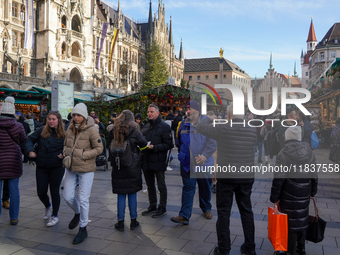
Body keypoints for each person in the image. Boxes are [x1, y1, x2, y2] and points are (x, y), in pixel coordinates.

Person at [195, 103, 257, 255]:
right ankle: (249, 247)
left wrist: (208, 118)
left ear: (228, 116)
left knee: (224, 213)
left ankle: (224, 249)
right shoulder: (252, 130)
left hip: (227, 177)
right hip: (246, 177)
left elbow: (199, 127)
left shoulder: (222, 128)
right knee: (247, 211)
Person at [270, 126, 318, 255]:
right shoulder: (309, 150)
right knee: (302, 219)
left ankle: (290, 251)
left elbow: (278, 179)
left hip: (288, 193)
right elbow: (314, 173)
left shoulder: (283, 153)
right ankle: (301, 249)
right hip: (305, 192)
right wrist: (313, 191)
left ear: (287, 137)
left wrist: (274, 197)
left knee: (290, 223)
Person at [63, 103, 103, 244]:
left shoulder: (92, 130)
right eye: (74, 115)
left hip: (86, 168)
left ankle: (83, 227)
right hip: (71, 167)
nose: (76, 117)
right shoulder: (70, 127)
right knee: (67, 196)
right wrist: (65, 153)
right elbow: (66, 144)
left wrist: (83, 155)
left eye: (78, 115)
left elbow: (99, 148)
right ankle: (77, 212)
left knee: (83, 198)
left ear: (84, 116)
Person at [171, 101, 216, 225]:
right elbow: (178, 142)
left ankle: (206, 208)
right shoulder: (183, 124)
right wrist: (182, 155)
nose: (188, 111)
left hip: (203, 163)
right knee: (188, 188)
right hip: (187, 163)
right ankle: (184, 215)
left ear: (198, 111)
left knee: (205, 187)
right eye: (187, 109)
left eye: (191, 109)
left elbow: (212, 144)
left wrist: (205, 155)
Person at [25, 111, 65, 227]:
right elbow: (29, 139)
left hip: (57, 166)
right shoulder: (42, 130)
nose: (51, 121)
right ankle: (48, 206)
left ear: (58, 120)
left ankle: (55, 215)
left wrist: (64, 153)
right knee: (41, 192)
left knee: (54, 191)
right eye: (49, 119)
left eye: (53, 119)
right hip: (42, 165)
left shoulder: (64, 133)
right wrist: (30, 150)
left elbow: (70, 146)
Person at [111, 110, 147, 231]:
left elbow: (109, 147)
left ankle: (120, 222)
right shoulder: (134, 131)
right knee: (132, 194)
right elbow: (144, 143)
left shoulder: (113, 130)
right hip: (132, 166)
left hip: (118, 166)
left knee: (121, 195)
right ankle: (133, 221)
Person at [141, 104, 173, 218]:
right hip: (146, 159)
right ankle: (152, 205)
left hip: (158, 160)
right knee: (150, 185)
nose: (149, 113)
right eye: (148, 112)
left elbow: (169, 144)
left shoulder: (164, 126)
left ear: (158, 113)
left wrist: (155, 147)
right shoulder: (145, 126)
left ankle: (162, 207)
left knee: (161, 185)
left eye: (152, 112)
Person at [0, 97, 26, 225]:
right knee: (14, 190)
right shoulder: (18, 126)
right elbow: (23, 141)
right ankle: (14, 217)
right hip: (14, 161)